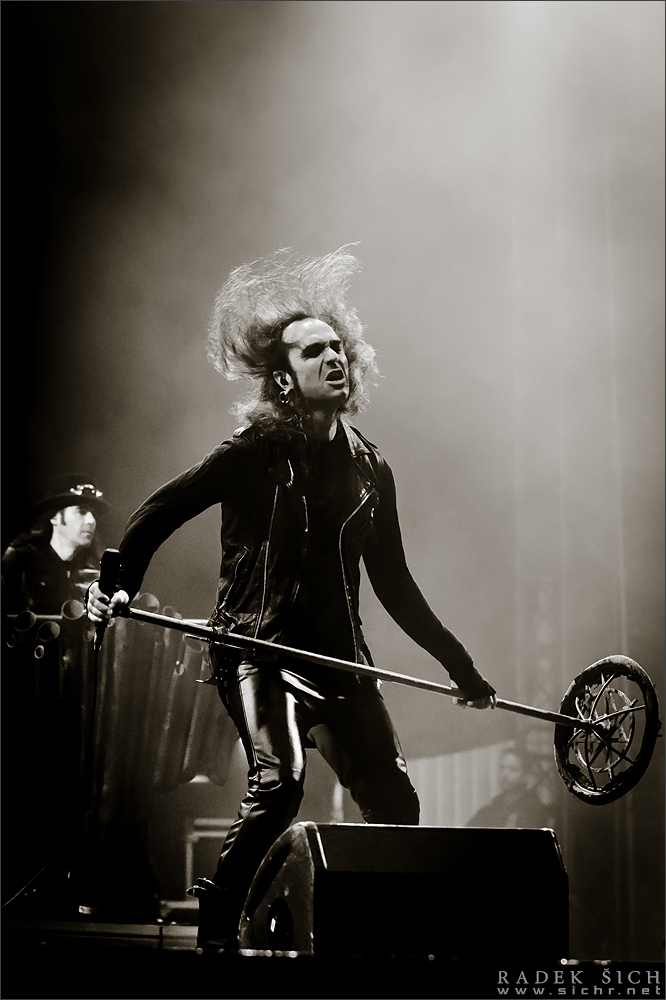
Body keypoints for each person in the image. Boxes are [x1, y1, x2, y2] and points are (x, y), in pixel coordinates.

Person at [86, 247, 496, 950]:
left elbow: (395, 584)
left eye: (338, 347)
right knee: (280, 788)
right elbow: (158, 512)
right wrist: (115, 583)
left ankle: (381, 945)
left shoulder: (372, 469)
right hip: (258, 652)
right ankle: (218, 929)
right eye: (314, 351)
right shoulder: (251, 454)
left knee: (396, 803)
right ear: (283, 377)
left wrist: (460, 667)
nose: (334, 357)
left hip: (341, 663)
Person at [2, 476, 108, 615]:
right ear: (54, 517)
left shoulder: (98, 571)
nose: (91, 521)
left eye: (94, 514)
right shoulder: (19, 560)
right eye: (81, 511)